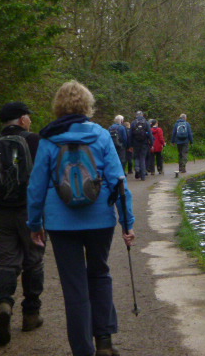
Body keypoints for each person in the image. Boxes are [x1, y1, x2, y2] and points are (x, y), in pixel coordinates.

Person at [27, 81, 135, 356]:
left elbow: (36, 186)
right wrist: (127, 222)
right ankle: (105, 344)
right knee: (100, 274)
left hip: (61, 224)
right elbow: (118, 182)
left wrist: (35, 224)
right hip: (100, 219)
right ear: (88, 106)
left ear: (58, 107)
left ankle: (82, 350)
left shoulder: (49, 139)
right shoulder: (100, 135)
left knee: (74, 286)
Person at [0, 102, 45, 346]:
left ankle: (3, 304)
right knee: (34, 260)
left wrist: (0, 199)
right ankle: (31, 314)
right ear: (22, 119)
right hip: (31, 211)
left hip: (1, 213)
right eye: (28, 116)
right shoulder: (35, 141)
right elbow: (44, 176)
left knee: (6, 261)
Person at [129, 110, 153, 181]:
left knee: (136, 157)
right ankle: (143, 176)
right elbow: (150, 134)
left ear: (136, 115)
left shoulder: (133, 123)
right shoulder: (146, 123)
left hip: (135, 143)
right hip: (144, 143)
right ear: (142, 115)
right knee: (142, 158)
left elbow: (130, 135)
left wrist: (130, 145)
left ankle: (137, 169)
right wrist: (151, 144)